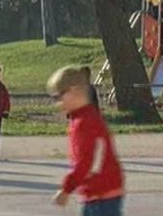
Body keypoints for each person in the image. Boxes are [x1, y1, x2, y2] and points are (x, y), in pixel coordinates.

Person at [47, 65, 124, 216]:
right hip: (104, 191)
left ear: (75, 91)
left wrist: (66, 189)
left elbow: (86, 162)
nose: (58, 103)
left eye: (59, 96)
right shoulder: (87, 118)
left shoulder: (84, 123)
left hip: (100, 193)